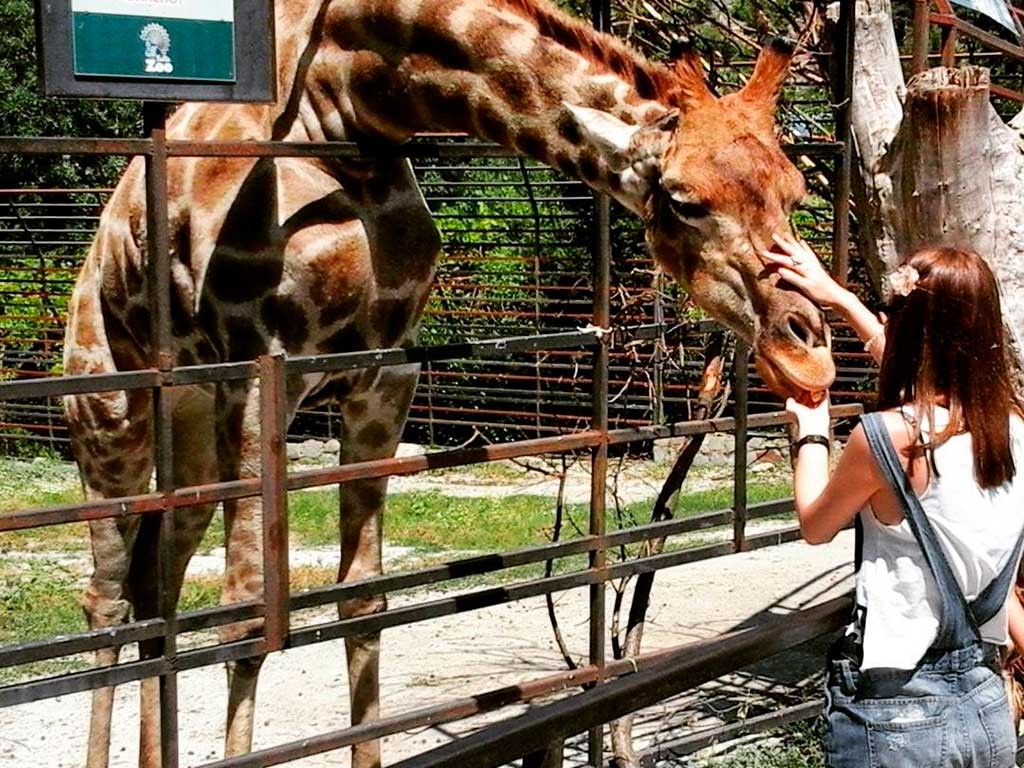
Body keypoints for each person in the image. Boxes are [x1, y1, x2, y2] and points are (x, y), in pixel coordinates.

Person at [762, 235, 1024, 767]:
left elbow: (815, 522)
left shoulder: (887, 438)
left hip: (900, 716)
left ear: (905, 331)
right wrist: (837, 296)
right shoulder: (1012, 428)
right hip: (985, 709)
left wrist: (812, 432)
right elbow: (932, 371)